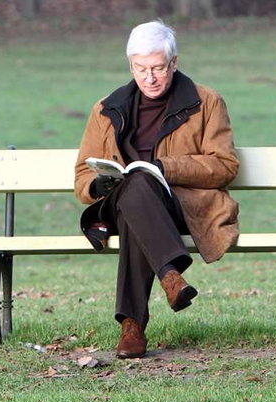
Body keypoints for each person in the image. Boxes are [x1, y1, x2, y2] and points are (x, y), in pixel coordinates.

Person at [74, 20, 239, 359]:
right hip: (120, 207)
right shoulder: (107, 108)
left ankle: (132, 326)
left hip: (181, 208)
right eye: (141, 68)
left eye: (158, 68)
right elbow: (81, 176)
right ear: (130, 65)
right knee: (134, 188)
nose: (149, 77)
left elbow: (225, 165)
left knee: (140, 189)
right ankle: (170, 275)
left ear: (174, 63)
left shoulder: (206, 102)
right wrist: (98, 184)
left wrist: (166, 167)